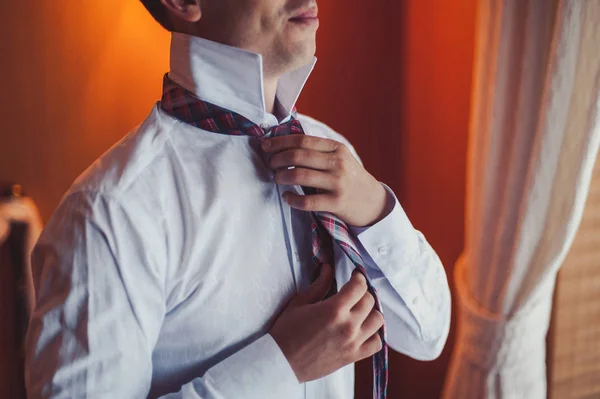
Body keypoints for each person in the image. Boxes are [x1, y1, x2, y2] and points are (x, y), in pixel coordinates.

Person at [24, 1, 451, 398]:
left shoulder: (336, 158)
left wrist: (376, 210)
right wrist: (282, 364)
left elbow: (426, 335)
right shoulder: (111, 211)